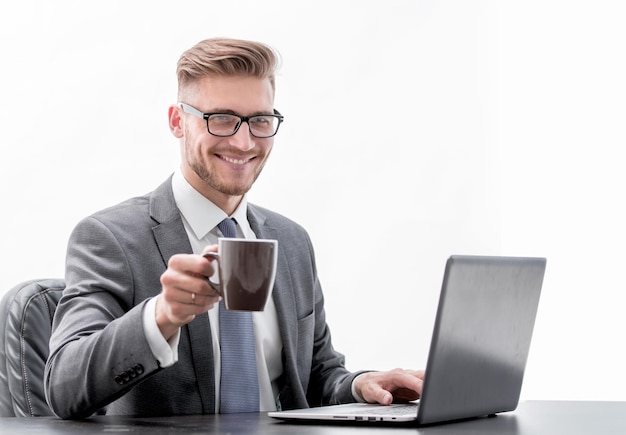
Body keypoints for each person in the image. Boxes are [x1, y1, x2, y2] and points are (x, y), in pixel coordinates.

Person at [44, 37, 424, 420]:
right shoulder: (111, 238)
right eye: (221, 119)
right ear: (178, 122)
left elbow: (315, 376)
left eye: (260, 121)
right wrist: (163, 314)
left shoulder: (291, 241)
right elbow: (63, 386)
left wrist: (360, 384)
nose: (244, 142)